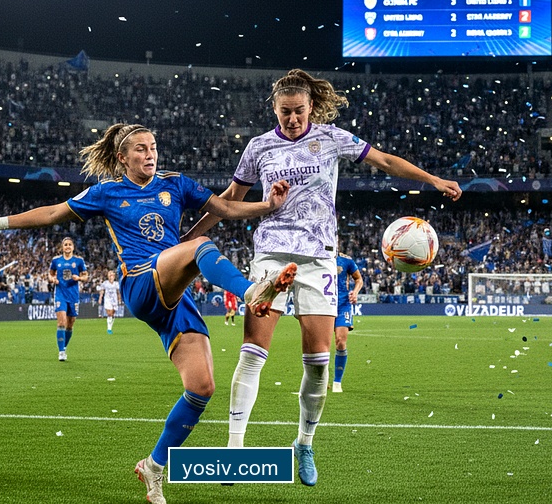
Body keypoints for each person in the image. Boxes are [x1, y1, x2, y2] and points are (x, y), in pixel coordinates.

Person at [0, 123, 296, 504]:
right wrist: (2, 223)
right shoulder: (107, 192)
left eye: (153, 146)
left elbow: (223, 207)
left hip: (174, 297)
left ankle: (153, 467)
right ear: (123, 158)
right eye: (140, 149)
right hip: (141, 283)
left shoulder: (175, 183)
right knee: (200, 245)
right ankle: (251, 291)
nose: (150, 154)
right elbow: (54, 213)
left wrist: (268, 206)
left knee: (202, 387)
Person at [184, 68, 462, 486]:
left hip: (319, 259)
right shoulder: (259, 147)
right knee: (251, 352)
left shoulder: (332, 138)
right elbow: (227, 201)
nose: (292, 119)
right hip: (271, 253)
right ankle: (234, 449)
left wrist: (433, 179)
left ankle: (304, 442)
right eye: (285, 112)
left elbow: (384, 160)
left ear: (311, 107)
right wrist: (186, 242)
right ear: (274, 109)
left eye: (298, 111)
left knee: (317, 363)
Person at [49, 236, 88, 361]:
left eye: (70, 244)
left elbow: (86, 275)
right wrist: (53, 279)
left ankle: (64, 347)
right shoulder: (56, 261)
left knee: (70, 324)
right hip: (60, 293)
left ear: (73, 247)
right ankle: (61, 352)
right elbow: (50, 273)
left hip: (73, 295)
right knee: (61, 322)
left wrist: (80, 279)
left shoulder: (79, 261)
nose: (67, 246)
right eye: (65, 244)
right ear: (62, 247)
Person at [331, 252, 363, 393]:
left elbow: (359, 279)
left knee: (340, 341)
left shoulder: (346, 260)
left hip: (343, 303)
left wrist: (355, 292)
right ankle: (321, 378)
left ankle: (337, 382)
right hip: (322, 304)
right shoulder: (317, 257)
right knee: (321, 344)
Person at [99, 269, 121, 334]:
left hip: (114, 300)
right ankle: (109, 329)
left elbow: (118, 292)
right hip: (107, 299)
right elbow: (102, 290)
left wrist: (119, 299)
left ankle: (110, 327)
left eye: (112, 274)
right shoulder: (105, 283)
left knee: (112, 314)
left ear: (114, 276)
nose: (111, 276)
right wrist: (100, 298)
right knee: (109, 313)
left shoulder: (116, 284)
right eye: (109, 274)